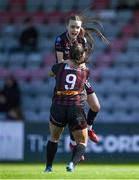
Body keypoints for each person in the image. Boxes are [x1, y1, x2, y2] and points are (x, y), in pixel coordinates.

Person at [54, 14, 109, 152]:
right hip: (65, 79)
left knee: (96, 106)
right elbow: (60, 63)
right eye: (72, 27)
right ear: (67, 26)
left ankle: (89, 129)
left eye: (77, 27)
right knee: (76, 114)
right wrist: (75, 63)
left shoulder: (82, 40)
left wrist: (79, 65)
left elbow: (82, 61)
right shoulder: (60, 40)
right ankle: (74, 144)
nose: (75, 30)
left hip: (80, 77)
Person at [45, 43, 89, 172]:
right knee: (82, 141)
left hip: (58, 105)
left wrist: (64, 62)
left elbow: (50, 74)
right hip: (75, 106)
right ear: (81, 56)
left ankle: (48, 167)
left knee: (54, 138)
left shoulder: (58, 67)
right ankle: (71, 164)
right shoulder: (85, 71)